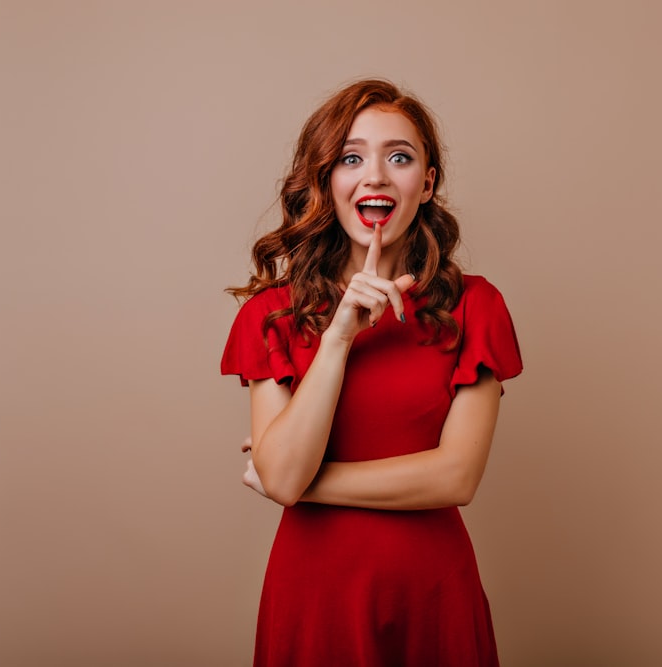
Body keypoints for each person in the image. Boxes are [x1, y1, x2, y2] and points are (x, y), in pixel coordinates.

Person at [221, 78, 522, 667]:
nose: (376, 176)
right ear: (327, 180)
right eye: (351, 158)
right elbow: (280, 475)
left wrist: (304, 483)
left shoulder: (477, 307)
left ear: (427, 182)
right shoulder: (271, 316)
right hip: (313, 599)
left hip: (434, 596)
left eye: (400, 157)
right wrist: (338, 337)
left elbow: (456, 477)